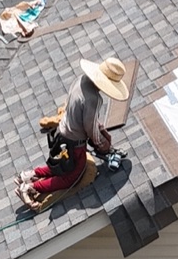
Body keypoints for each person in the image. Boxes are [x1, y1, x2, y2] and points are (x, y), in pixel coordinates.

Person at [18, 56, 130, 198]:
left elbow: (82, 115)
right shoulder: (93, 99)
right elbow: (90, 128)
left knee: (61, 166)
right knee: (72, 176)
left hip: (61, 132)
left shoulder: (81, 80)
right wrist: (103, 145)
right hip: (74, 143)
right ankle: (30, 188)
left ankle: (30, 175)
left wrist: (100, 128)